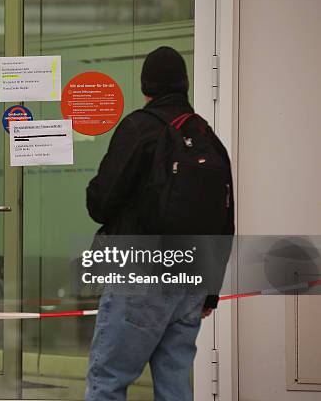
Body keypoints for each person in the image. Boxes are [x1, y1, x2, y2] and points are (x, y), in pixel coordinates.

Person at [85, 46, 234, 401]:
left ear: (145, 86)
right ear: (184, 84)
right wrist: (210, 289)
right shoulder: (208, 138)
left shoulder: (139, 127)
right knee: (174, 385)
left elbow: (100, 204)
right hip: (190, 282)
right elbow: (225, 218)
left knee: (107, 380)